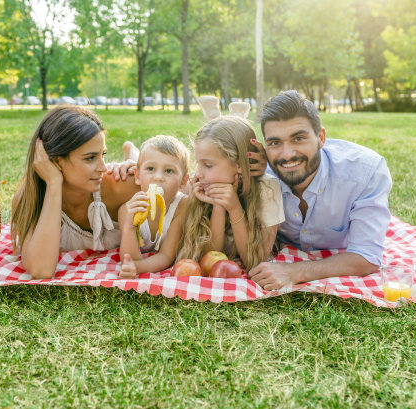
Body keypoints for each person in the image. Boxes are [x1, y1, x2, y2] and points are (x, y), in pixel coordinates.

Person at [247, 90, 393, 290]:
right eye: (275, 143)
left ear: (321, 137)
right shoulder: (261, 174)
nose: (287, 154)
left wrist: (294, 272)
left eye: (298, 139)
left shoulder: (366, 172)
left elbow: (367, 258)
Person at [11, 106, 139, 279]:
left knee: (138, 162)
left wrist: (138, 167)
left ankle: (131, 152)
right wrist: (54, 184)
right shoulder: (28, 199)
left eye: (103, 155)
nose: (102, 167)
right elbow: (41, 270)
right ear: (56, 161)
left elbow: (175, 189)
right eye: (90, 158)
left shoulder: (117, 184)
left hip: (122, 176)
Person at [176, 115, 285, 271]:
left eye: (207, 165)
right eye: (198, 162)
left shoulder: (267, 188)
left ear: (239, 165)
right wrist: (218, 206)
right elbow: (211, 259)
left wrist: (234, 208)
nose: (198, 173)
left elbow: (254, 261)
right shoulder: (201, 184)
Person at [118, 135, 191, 278]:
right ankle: (131, 152)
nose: (158, 177)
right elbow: (129, 258)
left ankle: (134, 153)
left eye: (169, 171)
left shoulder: (182, 207)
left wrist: (137, 268)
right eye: (150, 168)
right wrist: (129, 225)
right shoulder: (127, 209)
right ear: (138, 176)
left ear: (183, 181)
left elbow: (166, 256)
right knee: (135, 160)